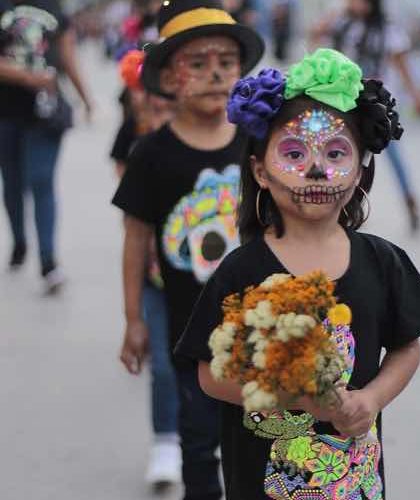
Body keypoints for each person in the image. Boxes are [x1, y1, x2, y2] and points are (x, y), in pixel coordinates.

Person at [176, 48, 420, 499]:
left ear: (360, 169)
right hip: (264, 482)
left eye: (336, 153)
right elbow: (210, 374)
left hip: (354, 481)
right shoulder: (242, 271)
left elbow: (406, 350)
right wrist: (298, 399)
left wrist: (372, 398)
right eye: (295, 153)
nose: (317, 170)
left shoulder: (383, 261)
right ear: (260, 171)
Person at [112, 1, 265, 498]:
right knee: (199, 443)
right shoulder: (151, 154)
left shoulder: (257, 143)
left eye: (225, 61)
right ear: (172, 77)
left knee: (258, 439)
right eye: (197, 63)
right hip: (187, 333)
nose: (215, 73)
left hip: (258, 327)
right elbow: (136, 240)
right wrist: (134, 319)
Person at [110, 50, 181, 490]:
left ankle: (204, 438)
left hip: (210, 282)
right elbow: (132, 230)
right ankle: (165, 440)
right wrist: (131, 316)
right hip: (158, 279)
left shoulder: (216, 144)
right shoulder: (143, 149)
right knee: (165, 367)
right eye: (152, 106)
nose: (158, 115)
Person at [0, 0, 92, 293]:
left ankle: (48, 261)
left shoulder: (56, 10)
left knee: (41, 181)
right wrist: (27, 77)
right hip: (5, 113)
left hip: (45, 114)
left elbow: (68, 58)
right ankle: (19, 241)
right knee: (12, 184)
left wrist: (86, 99)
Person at [311, 0, 420, 233]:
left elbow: (401, 64)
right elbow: (316, 39)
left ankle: (409, 200)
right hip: (345, 103)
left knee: (394, 156)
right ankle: (347, 208)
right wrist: (332, 19)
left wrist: (416, 95)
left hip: (377, 105)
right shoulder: (343, 24)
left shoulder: (387, 29)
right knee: (346, 155)